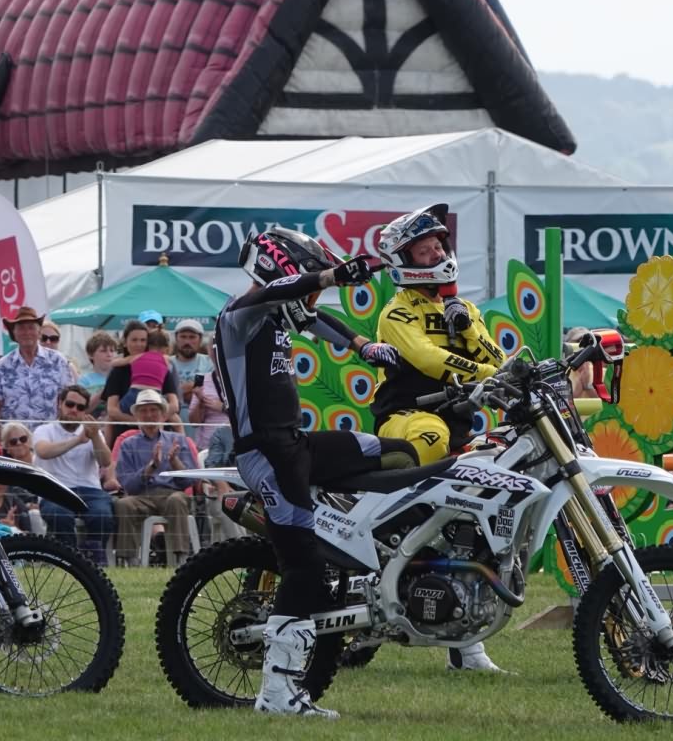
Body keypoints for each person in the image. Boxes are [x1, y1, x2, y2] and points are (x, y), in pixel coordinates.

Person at [213, 227, 405, 718]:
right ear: (280, 270)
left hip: (296, 446)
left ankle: (370, 557)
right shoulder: (239, 316)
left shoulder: (279, 315)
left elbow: (316, 320)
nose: (313, 299)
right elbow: (281, 292)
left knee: (400, 455)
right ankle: (276, 696)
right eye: (310, 286)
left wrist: (364, 346)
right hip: (266, 457)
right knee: (303, 570)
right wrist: (333, 275)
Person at [366, 204, 509, 676]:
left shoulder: (464, 309)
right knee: (432, 434)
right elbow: (427, 358)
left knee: (487, 509)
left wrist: (468, 329)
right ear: (404, 260)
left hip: (460, 425)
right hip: (405, 418)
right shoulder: (396, 311)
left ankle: (467, 648)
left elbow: (498, 359)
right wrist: (484, 374)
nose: (436, 255)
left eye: (438, 247)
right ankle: (398, 532)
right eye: (425, 250)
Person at [112, 390, 200, 566]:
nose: (149, 415)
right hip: (142, 496)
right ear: (137, 415)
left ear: (162, 414)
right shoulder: (128, 444)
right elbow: (128, 484)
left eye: (153, 410)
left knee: (177, 500)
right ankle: (130, 561)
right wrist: (151, 467)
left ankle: (180, 560)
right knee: (123, 504)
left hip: (171, 493)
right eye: (144, 411)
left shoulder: (178, 440)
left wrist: (174, 462)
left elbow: (190, 479)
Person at [32, 384, 116, 561]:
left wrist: (95, 437)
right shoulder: (44, 430)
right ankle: (70, 560)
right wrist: (77, 440)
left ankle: (94, 560)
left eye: (80, 407)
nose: (74, 410)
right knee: (59, 516)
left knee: (102, 515)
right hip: (54, 489)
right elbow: (43, 451)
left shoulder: (92, 432)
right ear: (60, 404)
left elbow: (106, 461)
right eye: (70, 404)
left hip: (90, 491)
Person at [0, 306, 76, 445]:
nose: (26, 332)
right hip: (14, 444)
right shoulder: (3, 365)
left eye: (31, 327)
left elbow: (69, 404)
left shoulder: (58, 361)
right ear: (14, 333)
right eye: (21, 328)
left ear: (39, 332)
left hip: (50, 443)